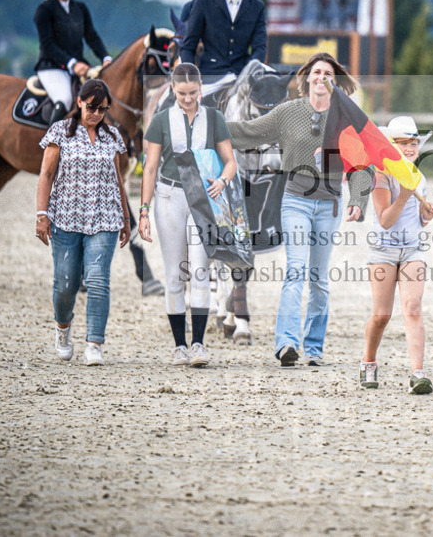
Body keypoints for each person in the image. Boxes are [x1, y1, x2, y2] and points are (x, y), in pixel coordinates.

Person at [226, 52, 372, 367]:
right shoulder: (288, 112)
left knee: (318, 279)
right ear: (306, 78)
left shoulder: (346, 118)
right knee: (295, 271)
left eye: (328, 73)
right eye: (316, 72)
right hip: (294, 201)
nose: (321, 77)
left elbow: (361, 166)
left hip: (329, 205)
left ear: (336, 81)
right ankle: (287, 344)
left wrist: (358, 200)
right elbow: (249, 132)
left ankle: (315, 348)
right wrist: (212, 126)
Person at [138, 63, 238, 367]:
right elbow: (151, 168)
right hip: (168, 196)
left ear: (200, 89)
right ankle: (179, 345)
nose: (188, 98)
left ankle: (198, 344)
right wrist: (143, 210)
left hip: (203, 199)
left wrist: (222, 180)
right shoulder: (161, 120)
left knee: (199, 270)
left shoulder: (214, 118)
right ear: (172, 89)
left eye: (193, 92)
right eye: (182, 93)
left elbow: (230, 161)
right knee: (173, 274)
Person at [35, 79, 132, 366]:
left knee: (98, 279)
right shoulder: (60, 133)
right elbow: (46, 176)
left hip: (105, 218)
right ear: (79, 102)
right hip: (65, 218)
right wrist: (42, 215)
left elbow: (118, 179)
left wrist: (126, 219)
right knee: (66, 283)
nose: (96, 113)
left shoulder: (112, 136)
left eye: (103, 109)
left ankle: (94, 345)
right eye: (91, 107)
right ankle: (62, 329)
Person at [359, 117, 433, 394]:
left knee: (413, 308)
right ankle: (368, 361)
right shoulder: (380, 176)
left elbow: (417, 219)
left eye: (413, 143)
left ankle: (418, 372)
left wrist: (426, 215)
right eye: (403, 143)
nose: (409, 148)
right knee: (382, 315)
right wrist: (404, 196)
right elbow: (385, 220)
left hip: (413, 249)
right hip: (383, 249)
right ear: (391, 146)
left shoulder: (420, 178)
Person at [179, 0, 267, 101]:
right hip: (210, 77)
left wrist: (250, 73)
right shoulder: (203, 3)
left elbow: (259, 47)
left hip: (243, 76)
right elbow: (188, 47)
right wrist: (192, 81)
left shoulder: (257, 7)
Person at [33, 0, 113, 125]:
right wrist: (72, 64)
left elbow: (92, 37)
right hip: (52, 67)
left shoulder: (80, 8)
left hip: (78, 67)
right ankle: (51, 145)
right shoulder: (44, 10)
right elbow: (47, 45)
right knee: (65, 99)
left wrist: (105, 57)